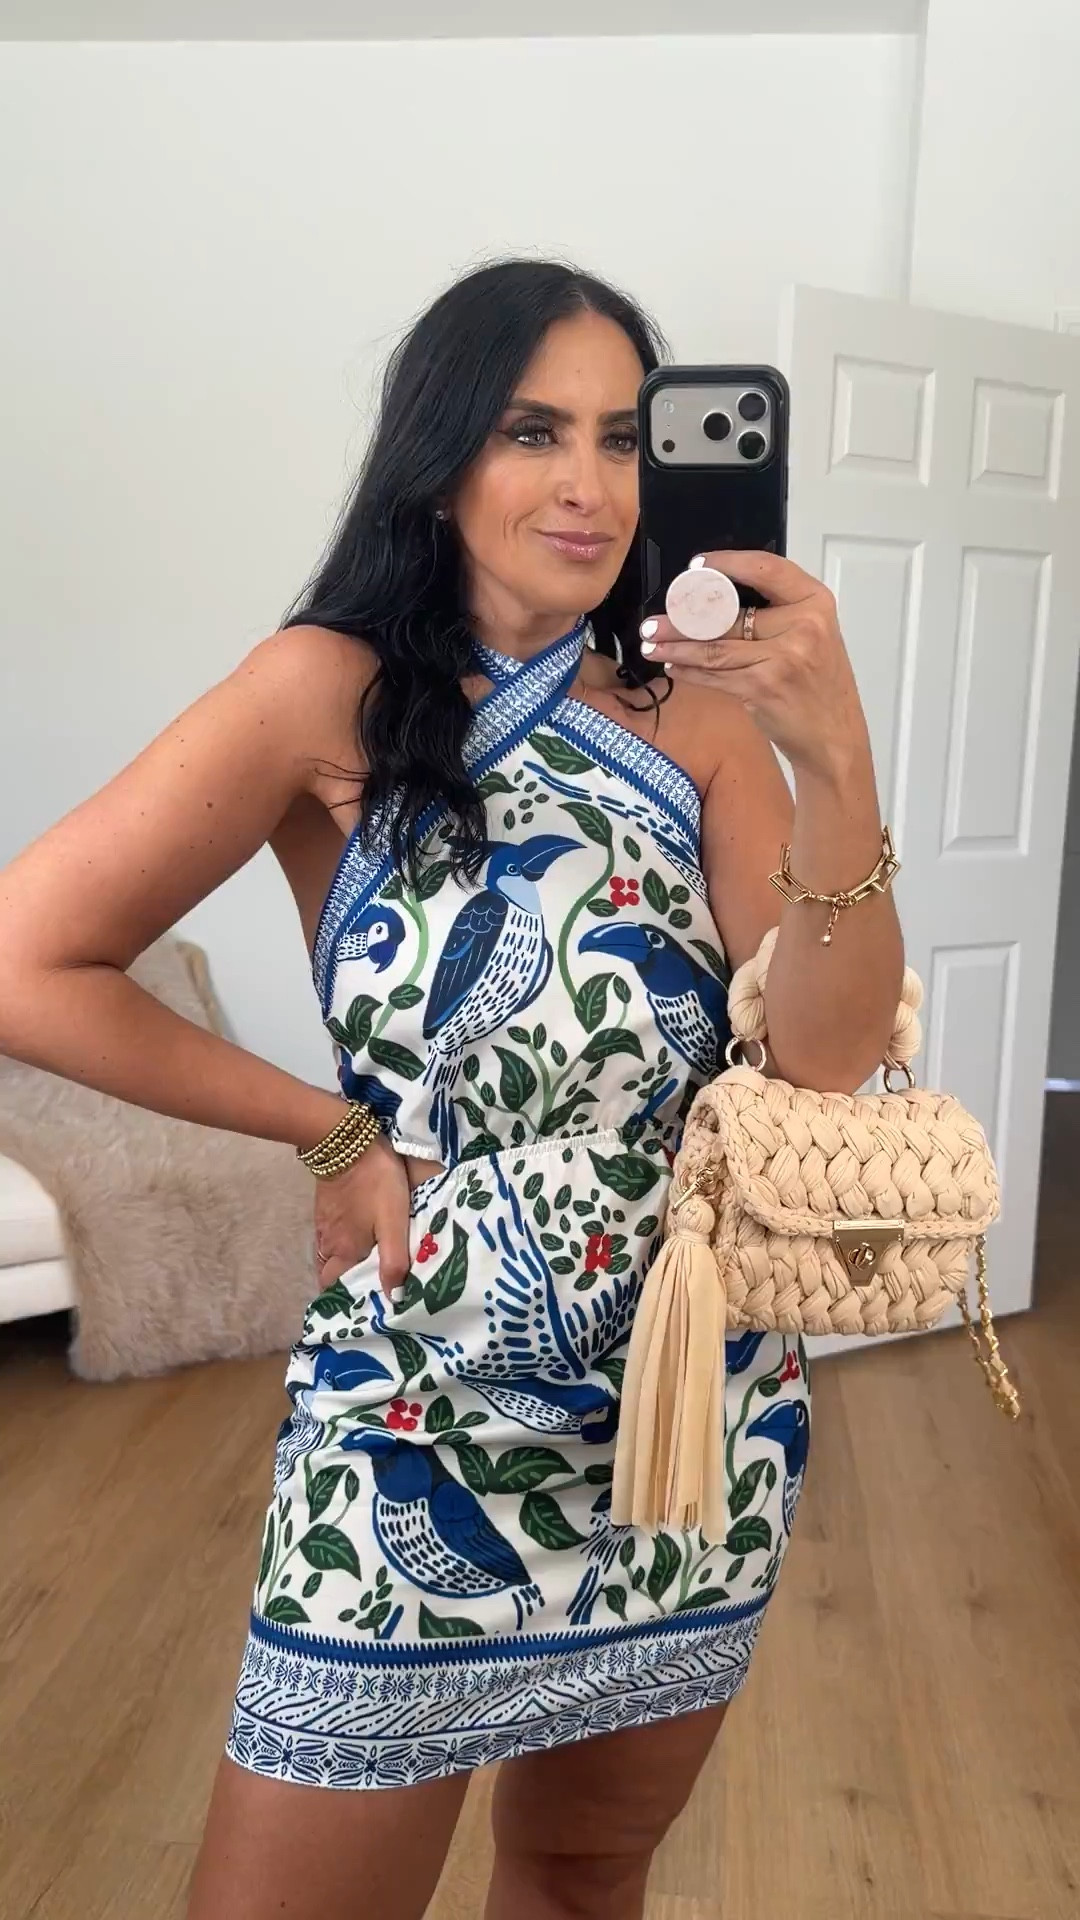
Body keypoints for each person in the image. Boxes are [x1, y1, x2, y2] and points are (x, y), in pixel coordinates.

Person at [0, 259, 902, 1920]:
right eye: (531, 431)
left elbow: (827, 1060)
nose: (589, 485)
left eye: (622, 438)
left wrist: (833, 754)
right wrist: (326, 1130)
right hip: (415, 1403)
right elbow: (28, 960)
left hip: (685, 1417)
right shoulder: (320, 692)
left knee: (581, 1874)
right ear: (437, 459)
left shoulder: (696, 717)